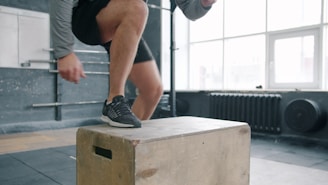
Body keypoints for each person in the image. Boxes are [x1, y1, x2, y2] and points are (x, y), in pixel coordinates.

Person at [50, 0, 217, 128]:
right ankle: (113, 101)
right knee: (137, 8)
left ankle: (124, 144)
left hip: (127, 17)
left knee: (152, 90)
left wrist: (204, 3)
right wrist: (64, 52)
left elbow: (191, 10)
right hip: (88, 12)